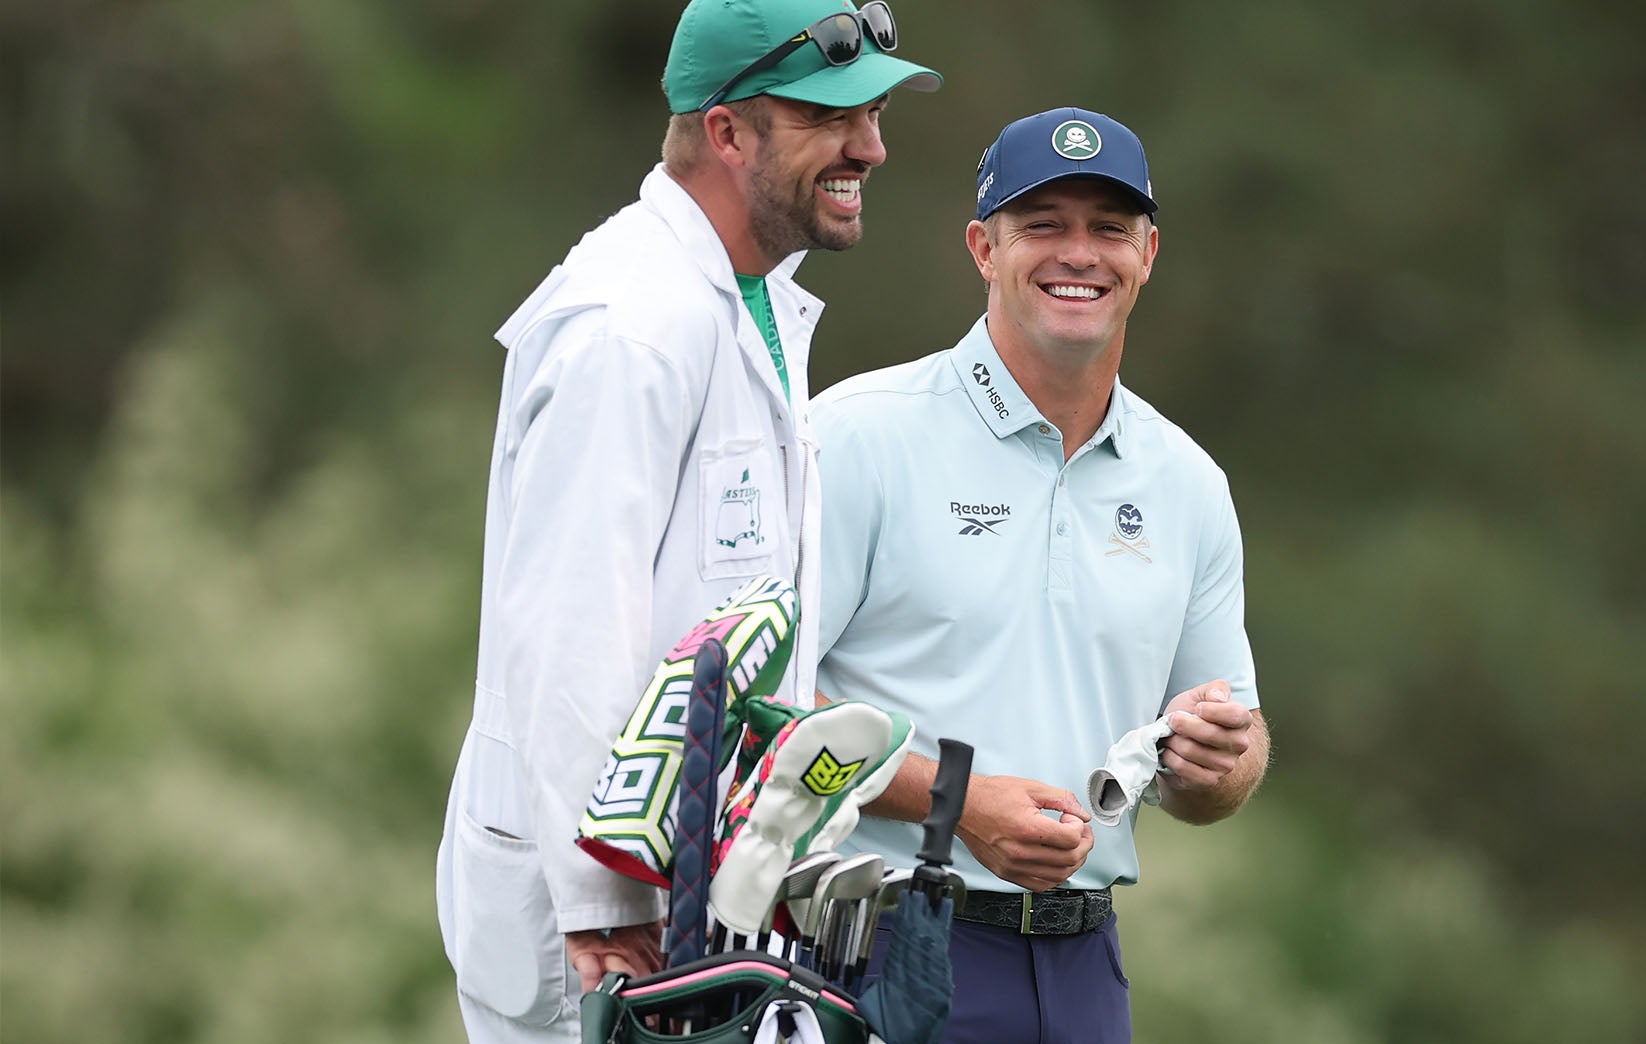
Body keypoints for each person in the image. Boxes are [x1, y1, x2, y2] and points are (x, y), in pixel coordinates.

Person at [434, 2, 939, 1040]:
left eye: (875, 115)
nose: (870, 147)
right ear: (726, 131)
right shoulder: (632, 323)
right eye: (831, 118)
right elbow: (570, 629)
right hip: (599, 930)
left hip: (698, 900)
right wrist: (606, 906)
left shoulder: (748, 296)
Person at [811, 107, 1270, 1043]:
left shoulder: (1187, 482)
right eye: (1043, 225)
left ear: (1148, 253)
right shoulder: (857, 435)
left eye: (1109, 228)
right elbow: (757, 705)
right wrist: (956, 806)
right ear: (984, 249)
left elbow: (1229, 755)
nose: (1080, 254)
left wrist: (1217, 762)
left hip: (1085, 968)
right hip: (879, 944)